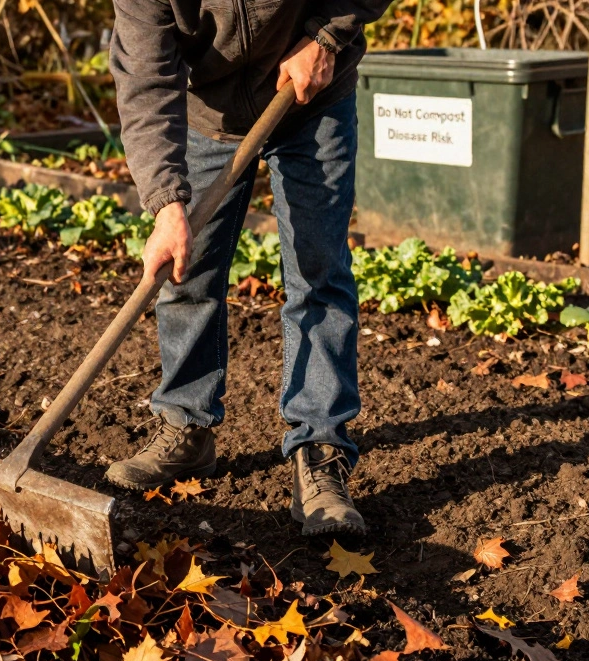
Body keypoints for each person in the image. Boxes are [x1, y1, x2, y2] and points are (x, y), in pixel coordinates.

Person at [104, 0, 394, 535]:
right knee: (187, 269)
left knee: (318, 272)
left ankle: (320, 448)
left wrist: (327, 37)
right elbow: (145, 77)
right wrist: (167, 203)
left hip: (313, 97)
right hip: (207, 113)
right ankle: (185, 427)